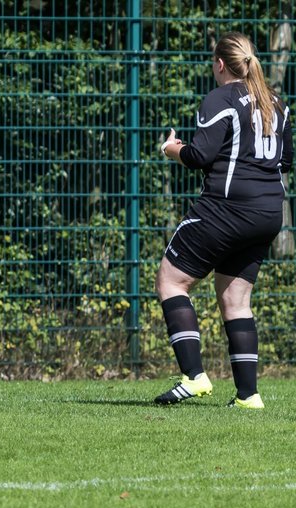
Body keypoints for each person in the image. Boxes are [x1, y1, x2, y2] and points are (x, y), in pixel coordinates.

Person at [156, 32, 291, 408]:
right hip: (268, 213)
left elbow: (200, 155)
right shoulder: (277, 102)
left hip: (228, 208)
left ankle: (194, 376)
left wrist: (172, 148)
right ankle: (249, 396)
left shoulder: (221, 98)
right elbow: (286, 161)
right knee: (236, 299)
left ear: (220, 64)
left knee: (170, 281)